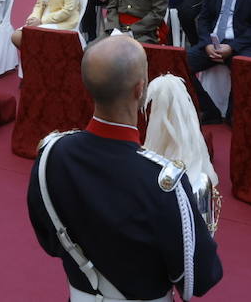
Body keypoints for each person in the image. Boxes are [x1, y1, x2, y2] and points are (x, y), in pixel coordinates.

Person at [27, 35, 222, 301]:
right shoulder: (162, 183)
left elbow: (50, 242)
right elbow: (198, 280)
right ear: (140, 89)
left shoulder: (51, 155)